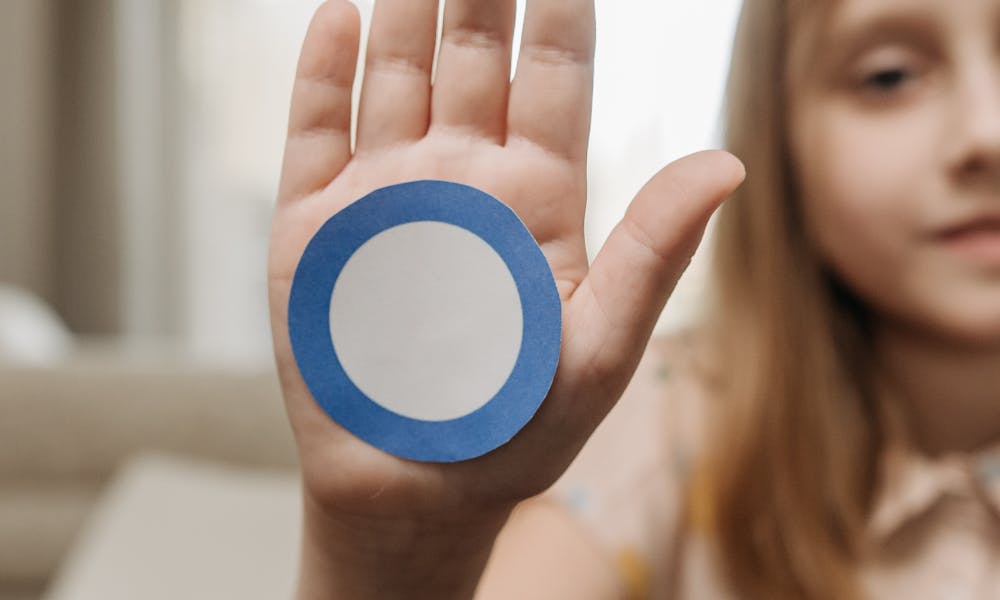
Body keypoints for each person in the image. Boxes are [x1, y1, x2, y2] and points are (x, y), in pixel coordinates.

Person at [267, 0, 1000, 598]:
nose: (986, 133)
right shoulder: (663, 421)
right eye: (890, 75)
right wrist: (399, 561)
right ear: (782, 138)